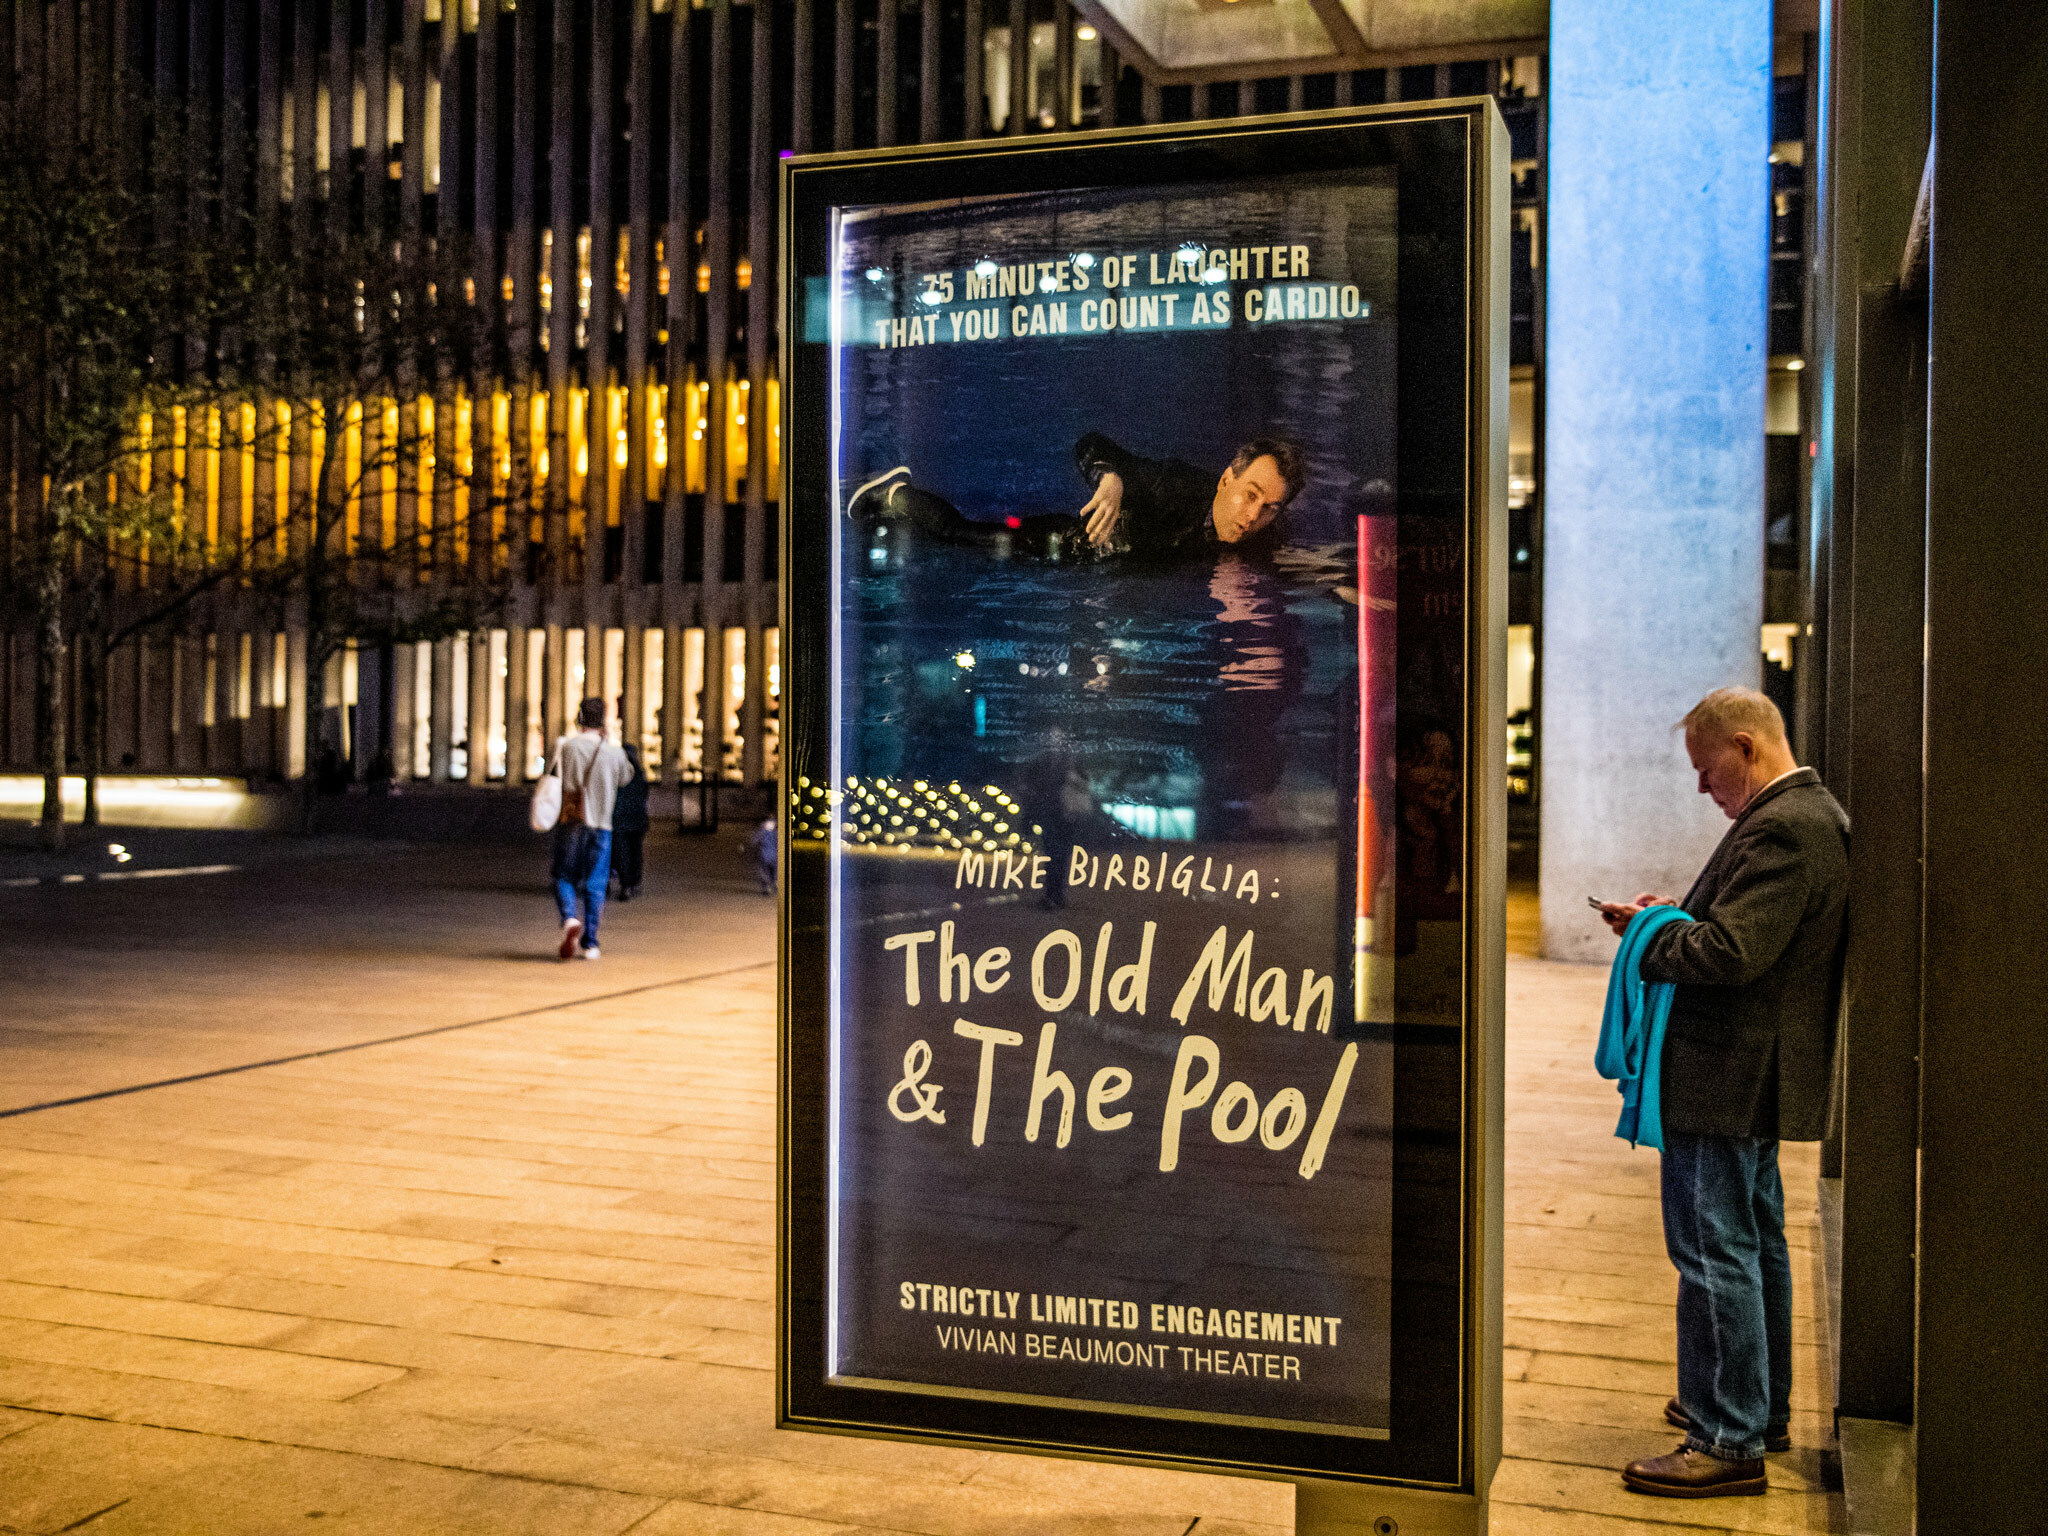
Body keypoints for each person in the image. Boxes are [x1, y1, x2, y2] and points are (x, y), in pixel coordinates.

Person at [1596, 687, 1848, 1497]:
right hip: (1748, 1073)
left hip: (1726, 1073)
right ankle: (1754, 1407)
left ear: (1744, 747)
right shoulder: (1807, 818)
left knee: (1712, 1252)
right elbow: (1741, 934)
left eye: (1707, 773)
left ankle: (1727, 1438)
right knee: (1753, 1242)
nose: (1704, 790)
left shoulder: (1782, 827)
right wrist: (1673, 916)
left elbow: (1732, 954)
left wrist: (1650, 935)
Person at [849, 433, 1306, 561]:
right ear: (1227, 479)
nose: (1253, 516)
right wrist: (1110, 479)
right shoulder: (1176, 485)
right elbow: (1093, 444)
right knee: (961, 534)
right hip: (1065, 545)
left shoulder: (1263, 536)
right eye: (1250, 495)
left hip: (1107, 575)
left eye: (1270, 508)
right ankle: (893, 494)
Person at [549, 697, 631, 960]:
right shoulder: (614, 752)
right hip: (602, 824)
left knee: (563, 874)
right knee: (596, 882)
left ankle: (570, 918)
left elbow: (554, 777)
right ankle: (591, 943)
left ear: (580, 717)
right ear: (604, 720)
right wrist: (609, 743)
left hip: (572, 819)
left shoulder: (567, 747)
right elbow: (626, 777)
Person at [610, 743, 650, 901]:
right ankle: (633, 882)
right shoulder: (640, 772)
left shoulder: (617, 771)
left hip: (620, 819)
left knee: (622, 852)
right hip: (637, 819)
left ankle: (625, 884)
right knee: (636, 851)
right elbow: (644, 793)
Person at [746, 817, 777, 896]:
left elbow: (753, 841)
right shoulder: (762, 832)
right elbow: (753, 841)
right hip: (765, 856)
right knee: (765, 872)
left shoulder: (774, 833)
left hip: (772, 857)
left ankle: (770, 885)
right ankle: (766, 888)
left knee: (771, 872)